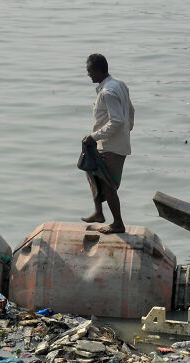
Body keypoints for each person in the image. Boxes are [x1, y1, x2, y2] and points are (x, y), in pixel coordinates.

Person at [81, 53, 135, 234]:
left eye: (89, 71)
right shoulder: (119, 84)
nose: (88, 74)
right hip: (112, 142)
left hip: (111, 146)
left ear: (98, 70)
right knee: (91, 171)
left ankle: (118, 223)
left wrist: (94, 136)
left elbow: (117, 121)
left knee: (108, 185)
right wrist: (129, 129)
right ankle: (98, 212)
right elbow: (130, 110)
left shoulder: (108, 92)